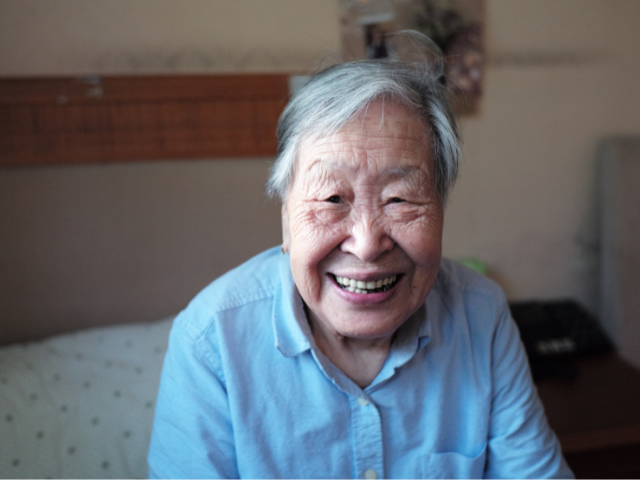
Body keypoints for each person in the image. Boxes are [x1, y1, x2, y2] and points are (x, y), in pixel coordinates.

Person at [148, 32, 573, 479]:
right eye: (332, 198)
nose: (367, 244)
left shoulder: (480, 314)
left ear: (442, 211)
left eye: (401, 199)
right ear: (286, 220)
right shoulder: (211, 341)